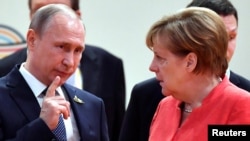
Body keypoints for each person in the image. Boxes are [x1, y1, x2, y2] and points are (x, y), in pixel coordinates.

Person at [119, 0, 250, 140]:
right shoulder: (165, 105)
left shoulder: (241, 105)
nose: (152, 67)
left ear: (190, 62)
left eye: (160, 58)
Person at [0, 0, 125, 140]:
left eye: (78, 50)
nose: (70, 62)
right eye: (61, 47)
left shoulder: (93, 106)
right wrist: (42, 126)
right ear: (32, 40)